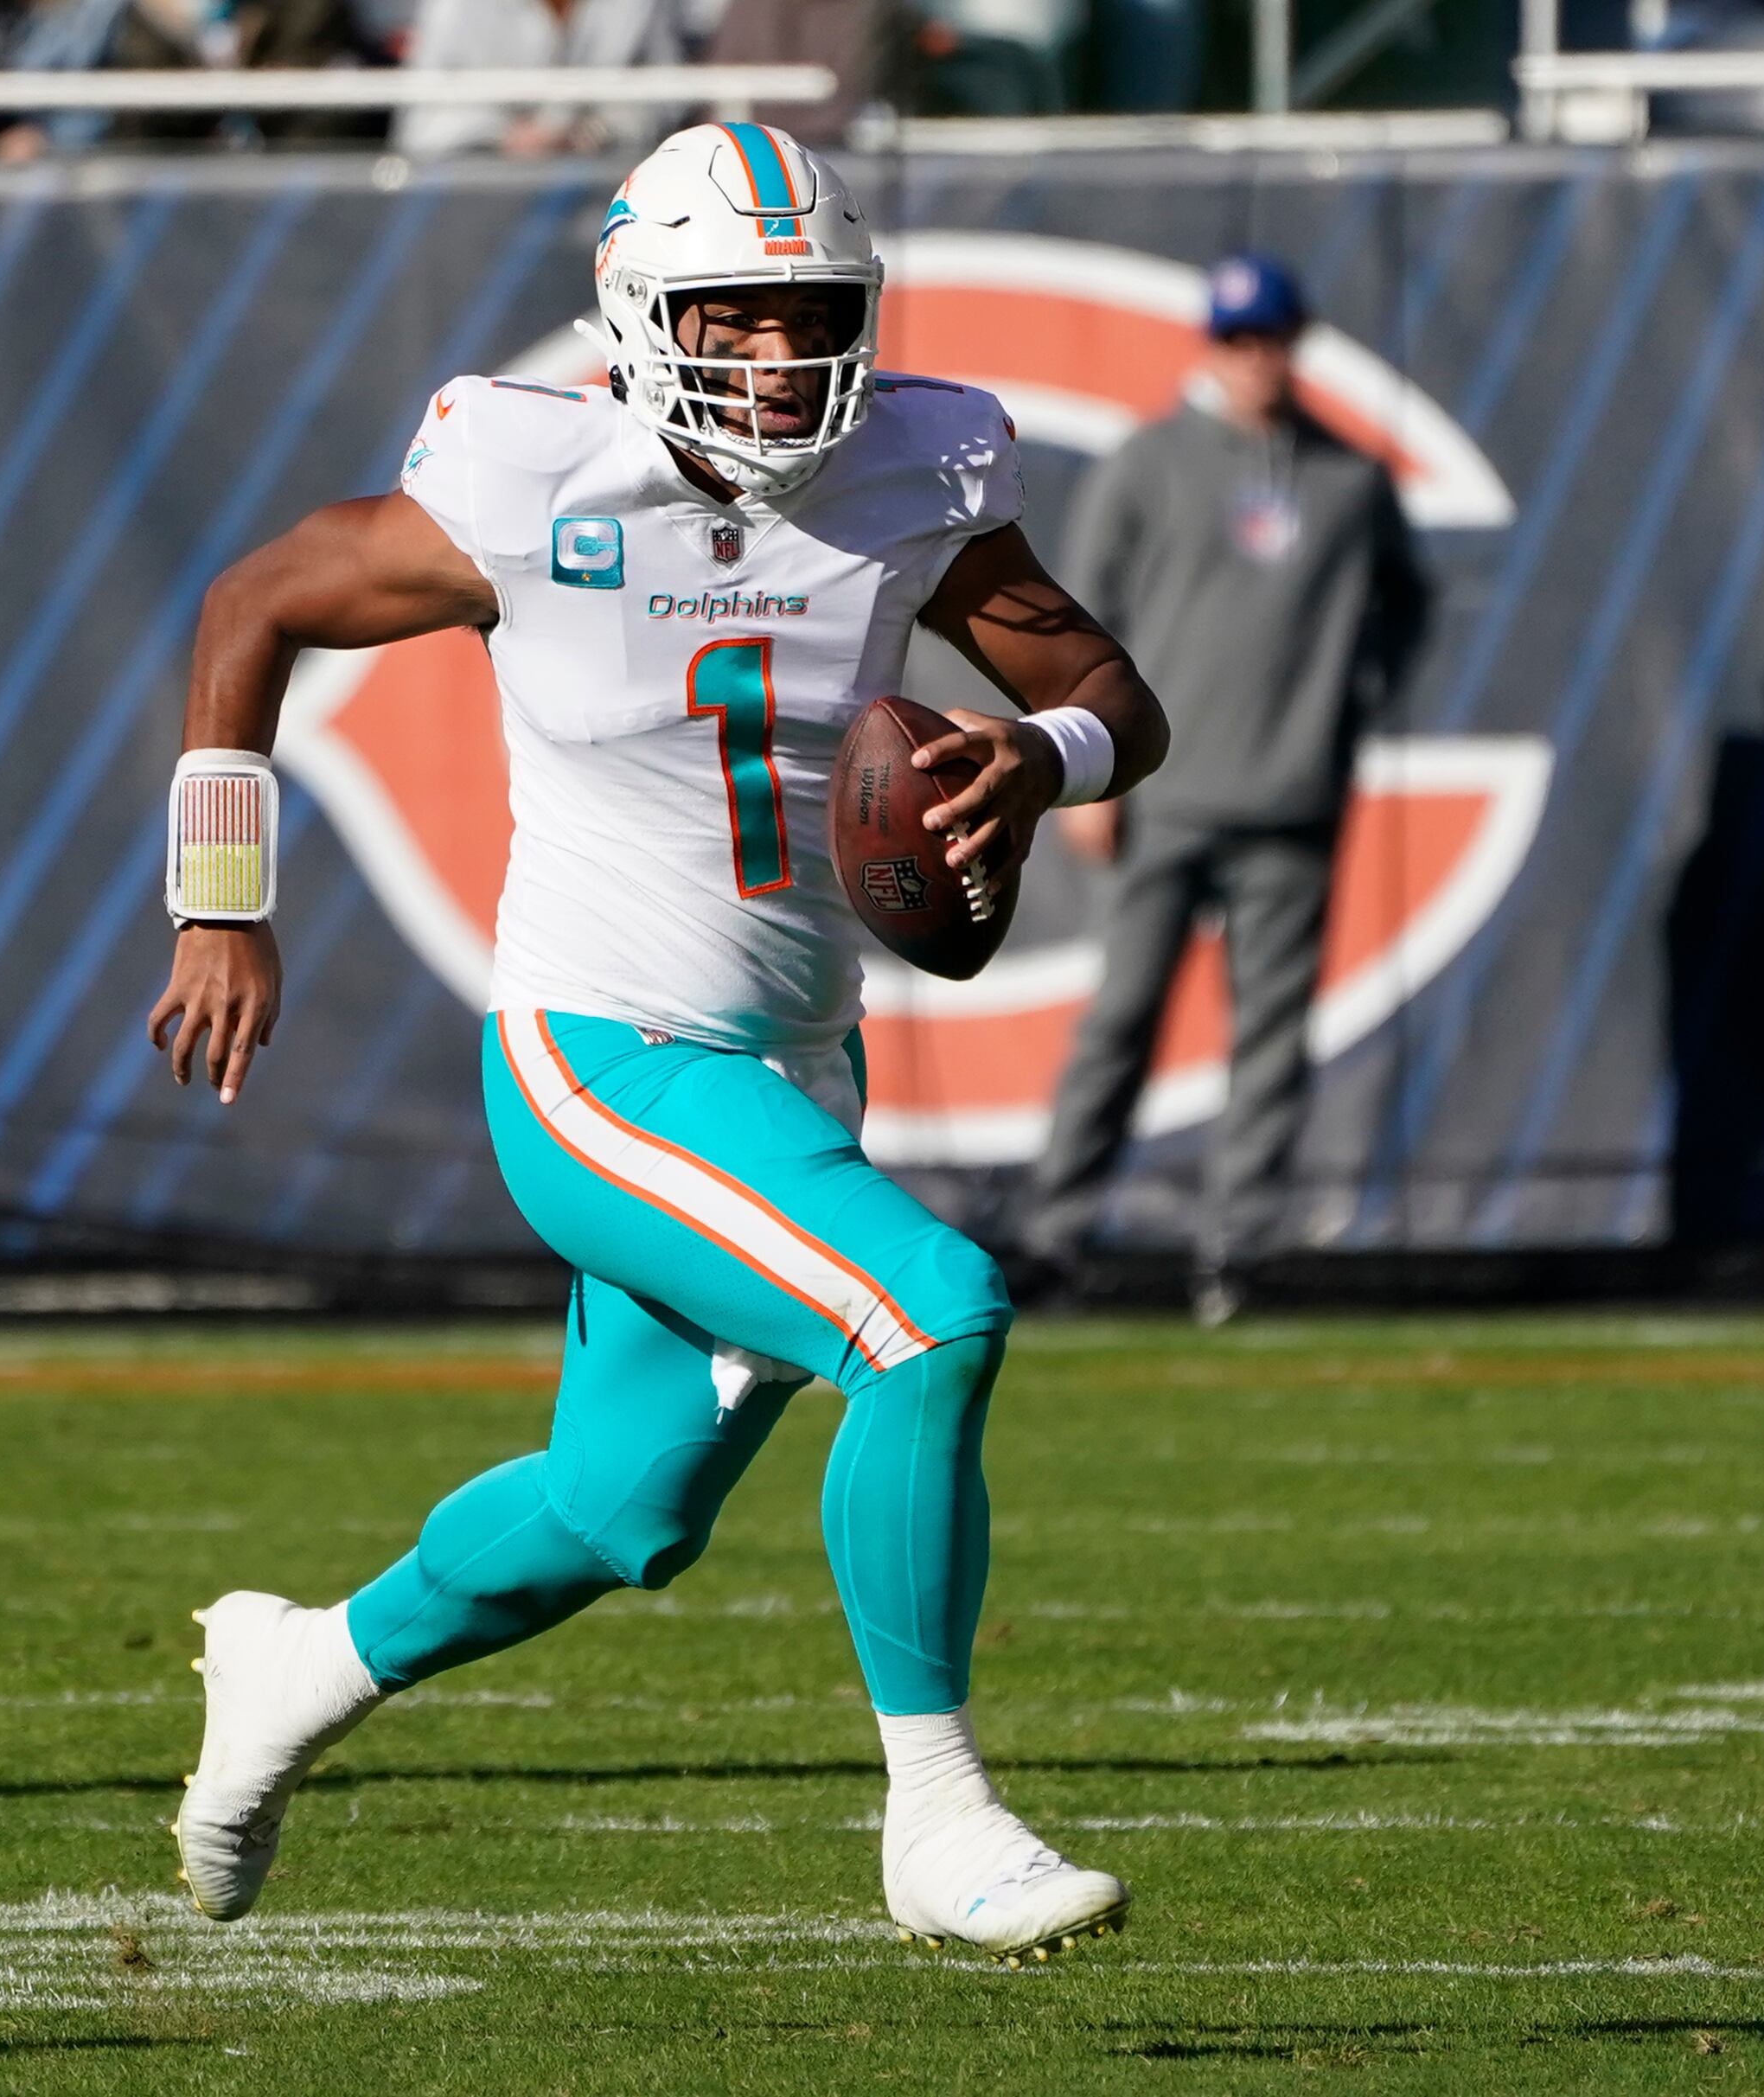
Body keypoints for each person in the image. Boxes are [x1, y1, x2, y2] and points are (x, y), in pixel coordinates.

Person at [144, 122, 1169, 1960]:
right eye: (733, 317)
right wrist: (220, 898)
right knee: (930, 1316)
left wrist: (1040, 754)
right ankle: (939, 1814)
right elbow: (254, 603)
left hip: (791, 1065)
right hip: (601, 1057)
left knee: (617, 1510)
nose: (778, 356)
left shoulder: (912, 472)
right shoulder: (528, 473)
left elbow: (1112, 696)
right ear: (639, 318)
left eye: (809, 315)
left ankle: (301, 1666)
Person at [1023, 253, 1430, 1327]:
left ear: (1297, 343)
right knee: (1120, 1017)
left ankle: (1237, 1251)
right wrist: (1089, 777)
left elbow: (1406, 607)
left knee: (1271, 1036)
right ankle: (1055, 1234)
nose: (1256, 359)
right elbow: (1080, 623)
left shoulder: (1349, 479)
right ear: (1210, 345)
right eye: (1237, 339)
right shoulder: (1149, 463)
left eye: (1272, 338)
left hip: (1290, 797)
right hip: (1163, 792)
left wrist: (1342, 710)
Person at [390, 0, 684, 157]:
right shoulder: (453, 7)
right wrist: (504, 138)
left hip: (601, 197)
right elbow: (420, 126)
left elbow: (666, 99)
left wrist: (595, 132)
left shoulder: (642, 5)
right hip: (479, 204)